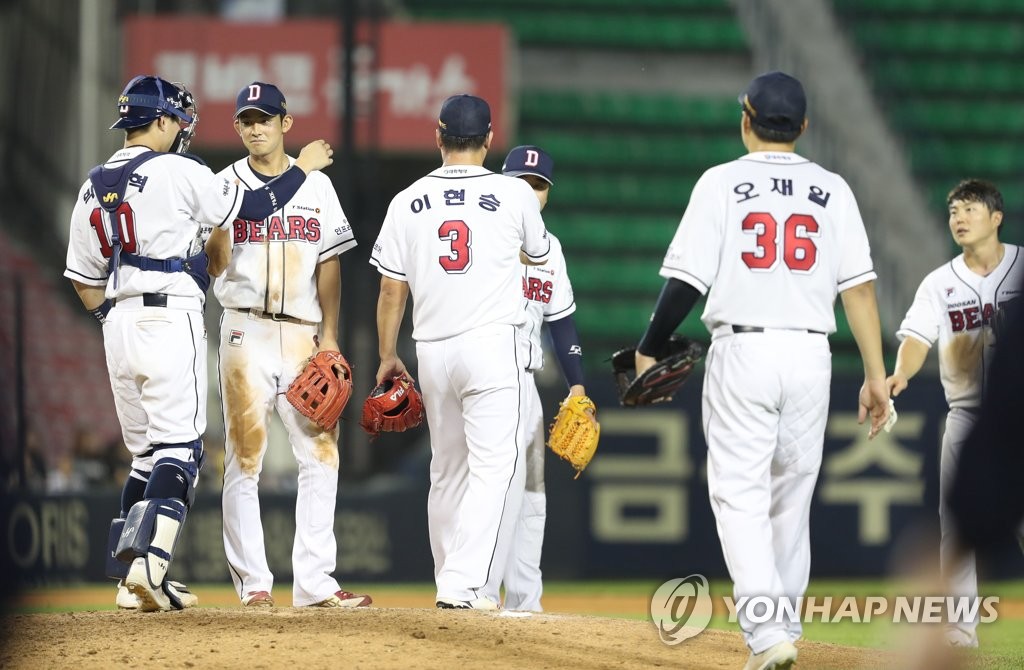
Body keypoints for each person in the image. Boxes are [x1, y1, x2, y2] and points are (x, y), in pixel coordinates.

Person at [633, 71, 890, 670]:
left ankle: (768, 633)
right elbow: (858, 289)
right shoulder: (834, 190)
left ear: (745, 120)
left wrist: (651, 344)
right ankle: (784, 627)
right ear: (803, 126)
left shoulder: (722, 182)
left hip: (744, 351)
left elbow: (686, 281)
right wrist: (876, 374)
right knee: (790, 499)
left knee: (739, 495)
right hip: (811, 355)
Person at [64, 74, 334, 612]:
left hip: (118, 324)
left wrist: (114, 322)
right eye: (178, 119)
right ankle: (151, 566)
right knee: (182, 450)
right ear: (161, 120)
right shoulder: (178, 170)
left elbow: (83, 279)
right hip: (169, 319)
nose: (182, 128)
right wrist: (302, 168)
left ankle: (129, 580)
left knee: (144, 457)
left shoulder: (93, 184)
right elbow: (252, 207)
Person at [369, 94, 551, 609]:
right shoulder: (514, 193)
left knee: (447, 471)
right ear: (490, 139)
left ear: (438, 137)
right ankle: (463, 585)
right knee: (495, 467)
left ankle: (449, 579)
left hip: (431, 350)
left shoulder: (406, 200)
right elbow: (538, 254)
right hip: (491, 345)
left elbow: (391, 289)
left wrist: (387, 354)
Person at [205, 81, 369, 609]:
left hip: (303, 331)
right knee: (244, 458)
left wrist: (332, 335)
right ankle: (254, 584)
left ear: (285, 123)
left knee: (321, 454)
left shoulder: (318, 187)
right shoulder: (223, 185)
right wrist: (220, 227)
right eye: (247, 120)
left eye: (265, 118)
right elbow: (213, 263)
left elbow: (330, 263)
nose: (256, 128)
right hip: (244, 329)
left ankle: (315, 583)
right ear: (237, 127)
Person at [885, 179, 1024, 648]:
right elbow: (916, 338)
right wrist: (900, 374)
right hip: (968, 417)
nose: (959, 218)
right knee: (957, 525)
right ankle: (959, 628)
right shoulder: (939, 283)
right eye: (953, 212)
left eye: (970, 209)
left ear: (996, 217)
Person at [481, 145, 587, 611]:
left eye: (538, 186)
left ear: (547, 194)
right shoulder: (483, 237)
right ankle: (478, 591)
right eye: (520, 184)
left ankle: (525, 600)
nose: (529, 193)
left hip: (525, 380)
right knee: (491, 487)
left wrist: (577, 384)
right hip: (487, 377)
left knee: (531, 492)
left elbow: (561, 321)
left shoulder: (552, 249)